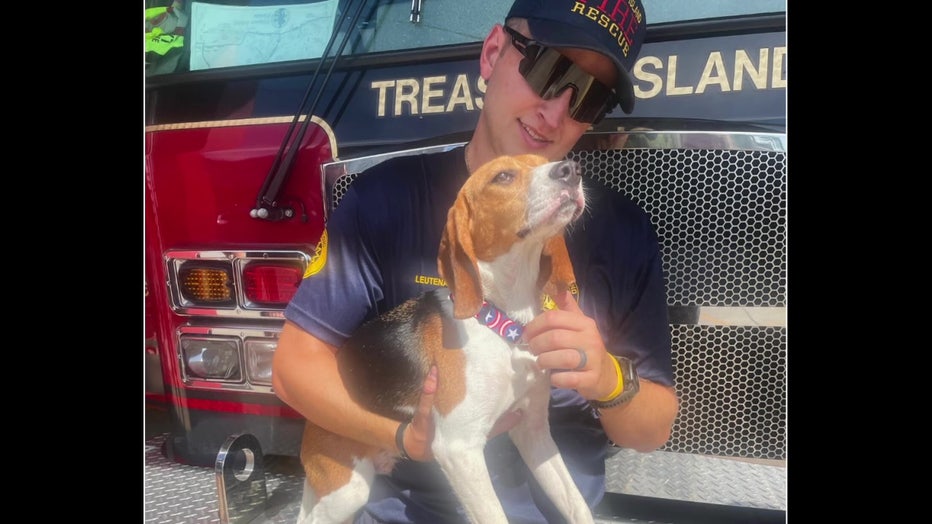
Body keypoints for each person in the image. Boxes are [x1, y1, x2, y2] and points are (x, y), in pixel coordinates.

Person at [272, 0, 679, 522]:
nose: (556, 113)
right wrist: (406, 438)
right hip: (402, 504)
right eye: (548, 68)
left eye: (591, 97)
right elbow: (291, 370)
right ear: (492, 53)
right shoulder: (382, 200)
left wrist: (608, 379)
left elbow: (653, 431)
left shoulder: (622, 233)